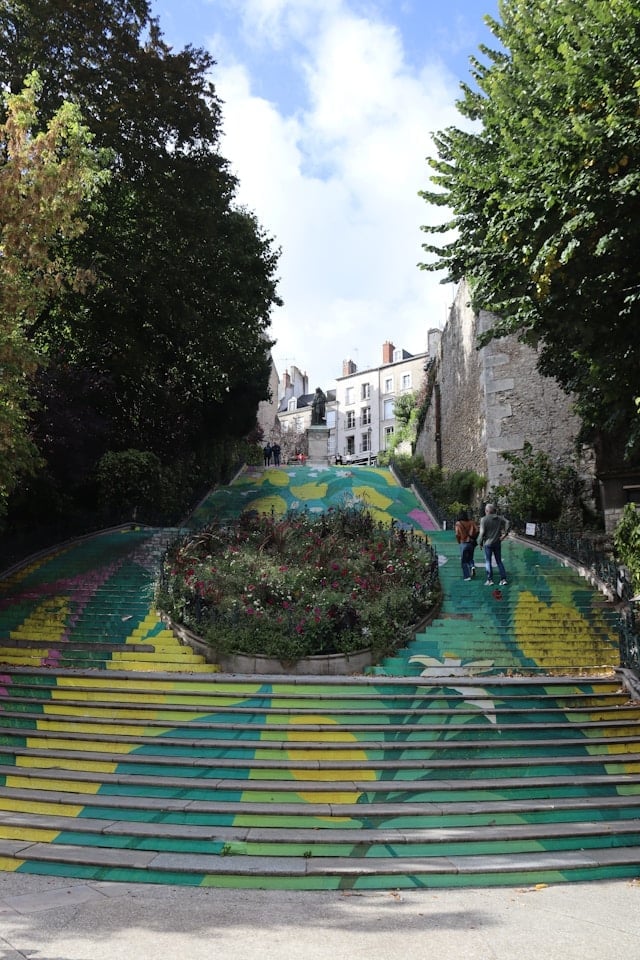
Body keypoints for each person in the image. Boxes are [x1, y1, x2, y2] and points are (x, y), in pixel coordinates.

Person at [478, 503, 510, 585]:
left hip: (488, 543)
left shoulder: (483, 519)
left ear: (487, 511)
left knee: (488, 561)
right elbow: (508, 522)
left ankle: (490, 580)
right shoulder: (499, 518)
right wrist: (505, 534)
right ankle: (503, 579)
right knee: (499, 561)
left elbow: (482, 533)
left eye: (486, 510)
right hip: (497, 542)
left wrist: (480, 543)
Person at [454, 510, 479, 581]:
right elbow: (477, 530)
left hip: (463, 542)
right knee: (470, 558)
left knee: (464, 561)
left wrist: (459, 541)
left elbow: (457, 534)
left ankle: (467, 576)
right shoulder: (471, 522)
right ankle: (472, 566)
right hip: (471, 543)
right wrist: (473, 536)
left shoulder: (458, 523)